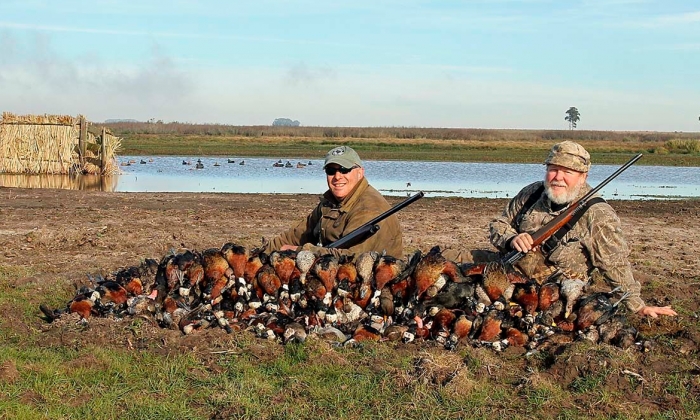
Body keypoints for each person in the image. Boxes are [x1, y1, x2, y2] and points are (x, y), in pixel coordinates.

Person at [489, 141, 677, 318]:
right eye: (553, 170)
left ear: (583, 176)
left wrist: (638, 306)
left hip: (556, 292)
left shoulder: (599, 214)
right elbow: (499, 224)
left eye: (567, 172)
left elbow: (614, 264)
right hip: (509, 272)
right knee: (461, 260)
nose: (558, 178)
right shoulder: (532, 193)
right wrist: (511, 238)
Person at [265, 145, 403, 258]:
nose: (337, 176)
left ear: (360, 173)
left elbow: (352, 258)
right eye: (331, 171)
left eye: (345, 170)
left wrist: (301, 251)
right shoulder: (331, 202)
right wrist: (261, 255)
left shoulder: (369, 208)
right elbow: (296, 235)